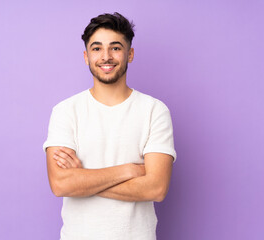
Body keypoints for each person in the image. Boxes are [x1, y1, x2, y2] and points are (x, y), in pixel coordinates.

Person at [43, 12, 177, 240]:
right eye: (97, 49)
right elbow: (60, 184)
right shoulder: (65, 111)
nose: (106, 56)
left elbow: (156, 188)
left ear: (130, 54)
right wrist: (129, 171)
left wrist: (82, 179)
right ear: (86, 56)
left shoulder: (154, 111)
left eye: (115, 48)